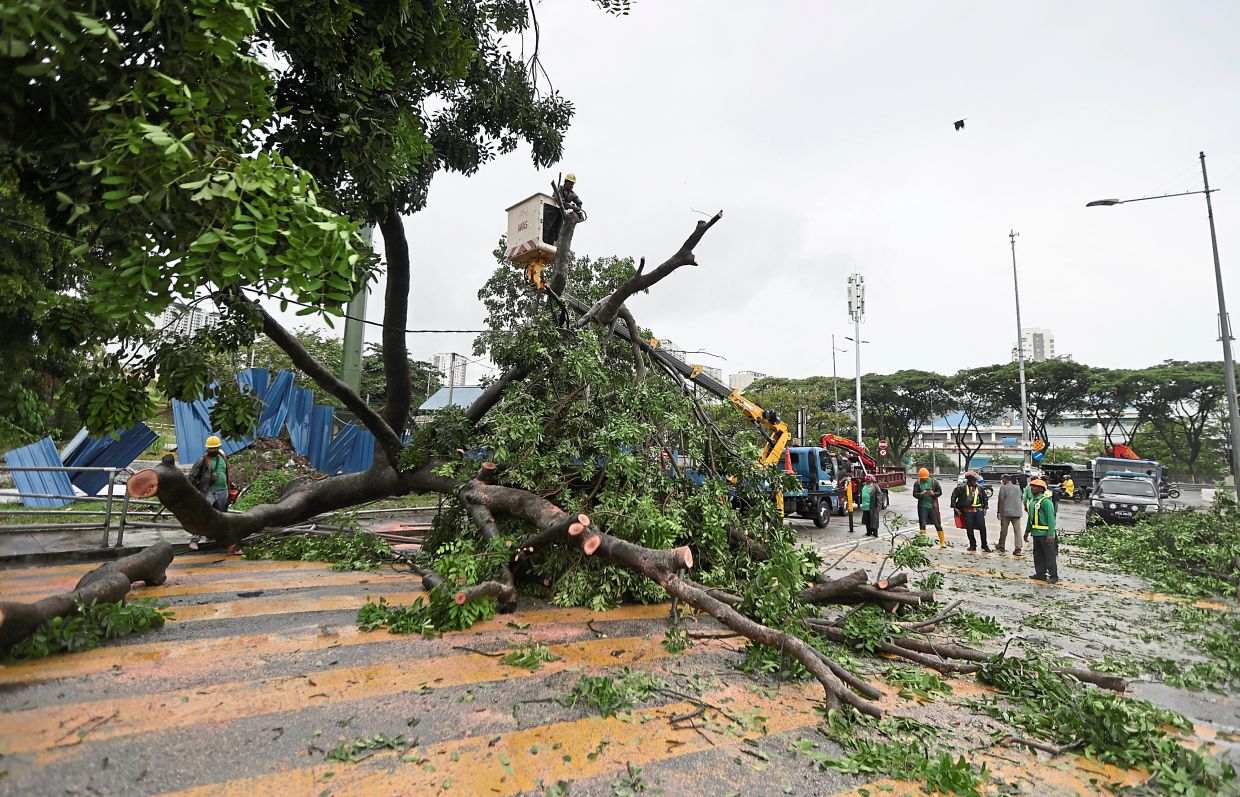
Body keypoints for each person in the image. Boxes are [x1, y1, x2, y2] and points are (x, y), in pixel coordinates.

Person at [187, 435, 230, 550]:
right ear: (207, 448)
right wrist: (190, 491)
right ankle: (194, 540)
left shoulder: (223, 457)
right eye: (211, 448)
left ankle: (218, 537)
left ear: (219, 447)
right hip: (208, 491)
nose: (213, 450)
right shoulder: (203, 460)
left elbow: (225, 472)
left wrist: (231, 486)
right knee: (202, 515)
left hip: (223, 490)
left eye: (215, 448)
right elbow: (192, 476)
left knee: (222, 516)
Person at [1025, 478, 1059, 584]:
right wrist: (1027, 531)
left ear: (1040, 489)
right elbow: (1030, 518)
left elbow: (1051, 519)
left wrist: (1050, 534)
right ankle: (1040, 574)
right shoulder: (1032, 501)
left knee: (1049, 555)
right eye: (1032, 486)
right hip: (1036, 533)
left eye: (1034, 487)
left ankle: (1053, 576)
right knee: (1038, 555)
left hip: (1045, 534)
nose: (1032, 488)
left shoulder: (1046, 502)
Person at [951, 472, 991, 552]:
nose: (975, 481)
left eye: (976, 480)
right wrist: (955, 508)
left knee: (982, 528)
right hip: (967, 511)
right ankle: (972, 545)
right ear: (969, 480)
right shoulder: (961, 488)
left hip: (978, 510)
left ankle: (984, 545)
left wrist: (985, 508)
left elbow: (985, 498)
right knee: (969, 528)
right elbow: (953, 497)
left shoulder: (979, 488)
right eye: (974, 480)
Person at [911, 467, 945, 547]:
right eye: (923, 478)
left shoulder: (934, 481)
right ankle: (923, 541)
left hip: (933, 506)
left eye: (926, 478)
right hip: (922, 506)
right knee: (922, 523)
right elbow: (914, 494)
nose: (925, 479)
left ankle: (942, 542)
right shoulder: (917, 483)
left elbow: (940, 492)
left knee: (937, 524)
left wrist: (933, 494)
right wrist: (921, 494)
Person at [995, 474, 1024, 556]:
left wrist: (999, 512)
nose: (1002, 481)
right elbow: (1021, 498)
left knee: (1004, 530)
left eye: (1002, 479)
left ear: (1005, 479)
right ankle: (1018, 549)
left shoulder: (1003, 488)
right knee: (1017, 531)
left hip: (1006, 512)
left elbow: (1001, 500)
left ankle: (1001, 545)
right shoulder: (1018, 488)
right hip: (1017, 512)